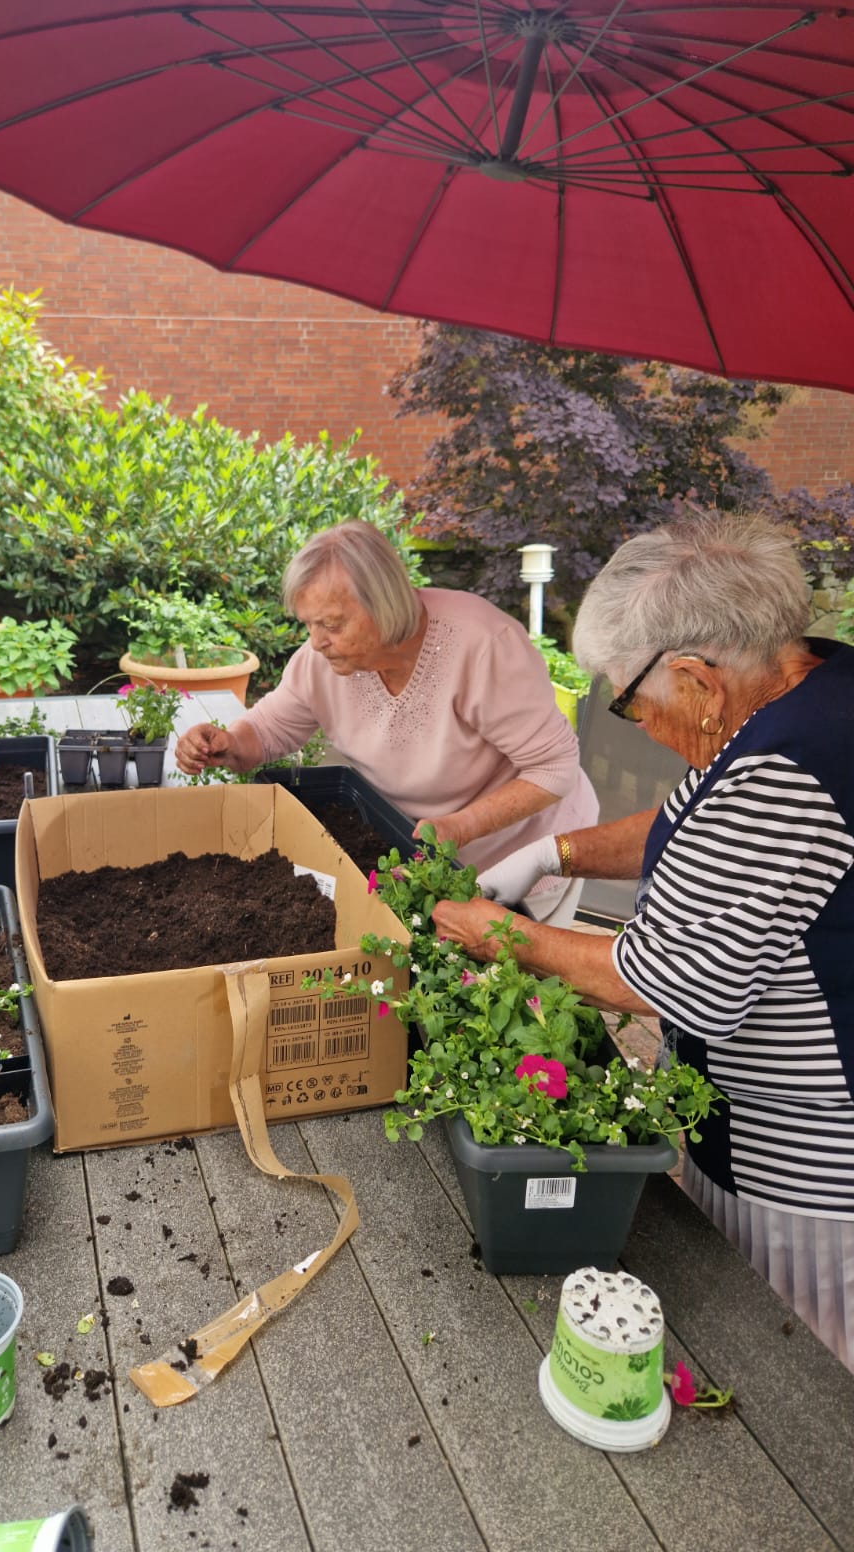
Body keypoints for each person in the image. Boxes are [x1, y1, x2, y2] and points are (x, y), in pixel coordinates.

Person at [432, 512, 854, 1370]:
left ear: (697, 679)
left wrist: (503, 937)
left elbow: (671, 984)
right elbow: (687, 818)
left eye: (628, 700)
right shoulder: (807, 684)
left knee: (793, 1375)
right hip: (775, 1124)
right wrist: (556, 851)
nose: (631, 720)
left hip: (803, 1164)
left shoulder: (782, 775)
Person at [175, 520, 597, 924]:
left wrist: (460, 827)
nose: (317, 641)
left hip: (520, 856)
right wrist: (229, 743)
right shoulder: (320, 662)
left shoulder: (483, 646)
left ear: (383, 604)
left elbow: (553, 767)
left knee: (511, 985)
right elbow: (267, 731)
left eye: (331, 624)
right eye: (308, 624)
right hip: (425, 850)